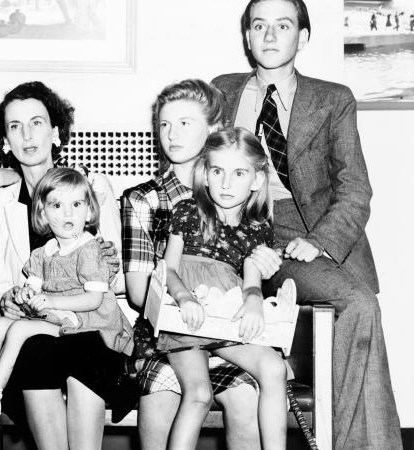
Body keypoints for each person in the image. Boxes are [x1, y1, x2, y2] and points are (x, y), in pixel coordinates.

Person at [212, 0, 403, 448]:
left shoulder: (333, 98)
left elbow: (355, 190)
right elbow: (189, 160)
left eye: (284, 25)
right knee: (358, 310)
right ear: (247, 37)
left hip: (303, 238)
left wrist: (318, 241)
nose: (271, 35)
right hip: (238, 231)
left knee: (359, 306)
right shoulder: (221, 92)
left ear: (304, 36)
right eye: (260, 25)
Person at [121, 79, 267, 450]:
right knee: (161, 392)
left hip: (228, 334)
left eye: (185, 123)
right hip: (168, 333)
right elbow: (139, 295)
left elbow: (251, 277)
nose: (172, 134)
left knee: (246, 397)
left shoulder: (239, 196)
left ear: (214, 130)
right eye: (165, 125)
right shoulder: (143, 199)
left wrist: (262, 266)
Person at [0, 81, 127, 448]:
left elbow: (119, 275)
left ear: (56, 132)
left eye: (37, 122)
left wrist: (104, 272)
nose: (27, 135)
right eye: (15, 127)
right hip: (33, 331)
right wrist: (7, 300)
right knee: (33, 351)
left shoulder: (91, 188)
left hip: (91, 328)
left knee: (85, 354)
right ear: (4, 143)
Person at [0, 168, 133, 423]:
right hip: (62, 319)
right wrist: (22, 294)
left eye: (76, 204)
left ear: (89, 210)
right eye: (57, 205)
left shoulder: (91, 249)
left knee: (19, 330)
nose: (68, 213)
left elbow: (93, 301)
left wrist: (50, 301)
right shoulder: (44, 252)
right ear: (42, 212)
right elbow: (33, 286)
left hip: (92, 325)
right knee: (0, 324)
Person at [160, 127, 289, 449]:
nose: (227, 183)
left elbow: (250, 282)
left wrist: (255, 299)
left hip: (223, 320)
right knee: (199, 395)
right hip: (185, 320)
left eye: (239, 173)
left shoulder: (258, 227)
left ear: (257, 180)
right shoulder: (188, 212)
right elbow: (169, 268)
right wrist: (183, 297)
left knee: (274, 367)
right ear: (205, 174)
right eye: (218, 171)